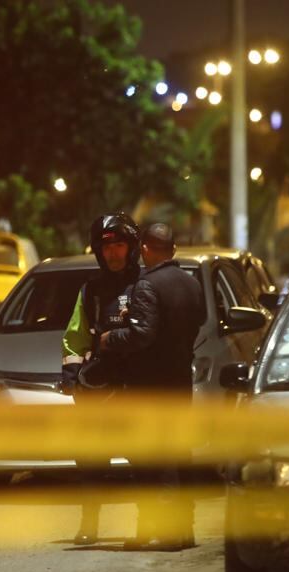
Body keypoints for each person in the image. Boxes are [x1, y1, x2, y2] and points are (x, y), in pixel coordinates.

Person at [99, 223, 206, 551]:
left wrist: (109, 339)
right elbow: (198, 322)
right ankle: (184, 530)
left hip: (149, 387)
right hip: (180, 385)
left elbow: (142, 334)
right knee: (179, 458)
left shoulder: (146, 285)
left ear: (144, 249)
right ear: (172, 249)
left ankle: (153, 530)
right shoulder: (191, 283)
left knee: (150, 462)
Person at [61, 213, 142, 545]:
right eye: (107, 247)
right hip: (98, 391)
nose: (114, 254)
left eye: (120, 245)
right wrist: (71, 374)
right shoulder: (91, 290)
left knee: (143, 460)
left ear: (132, 247)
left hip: (136, 388)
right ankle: (89, 525)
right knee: (91, 461)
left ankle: (146, 526)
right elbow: (74, 338)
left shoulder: (146, 284)